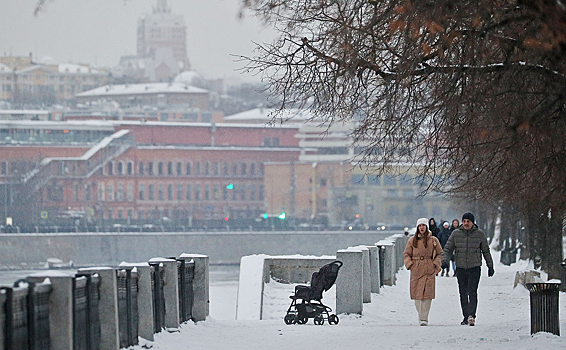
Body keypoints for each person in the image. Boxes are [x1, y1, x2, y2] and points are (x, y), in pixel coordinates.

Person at [441, 212, 495, 326]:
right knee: (463, 293)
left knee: (472, 291)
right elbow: (447, 249)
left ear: (472, 222)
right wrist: (444, 261)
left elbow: (486, 250)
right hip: (460, 267)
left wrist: (490, 266)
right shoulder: (456, 234)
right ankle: (465, 316)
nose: (466, 223)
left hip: (474, 267)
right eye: (464, 221)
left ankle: (472, 315)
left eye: (468, 221)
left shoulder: (479, 234)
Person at [404, 218, 443, 326]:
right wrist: (410, 264)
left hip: (428, 267)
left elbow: (440, 253)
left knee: (427, 294)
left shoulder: (433, 240)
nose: (422, 227)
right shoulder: (412, 241)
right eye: (420, 225)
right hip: (416, 267)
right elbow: (407, 254)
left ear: (427, 227)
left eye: (423, 225)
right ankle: (421, 315)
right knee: (417, 293)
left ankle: (424, 318)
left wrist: (435, 264)